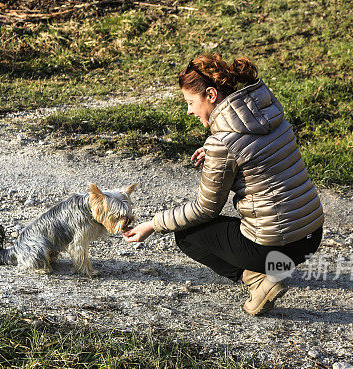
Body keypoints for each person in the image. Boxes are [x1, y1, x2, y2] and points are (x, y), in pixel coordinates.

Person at [123, 53, 324, 316]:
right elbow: (256, 153)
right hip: (310, 240)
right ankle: (274, 270)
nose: (189, 110)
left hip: (277, 248)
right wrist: (220, 153)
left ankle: (258, 280)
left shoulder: (223, 143)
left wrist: (152, 224)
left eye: (191, 102)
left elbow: (206, 209)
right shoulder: (270, 116)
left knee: (187, 235)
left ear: (211, 94)